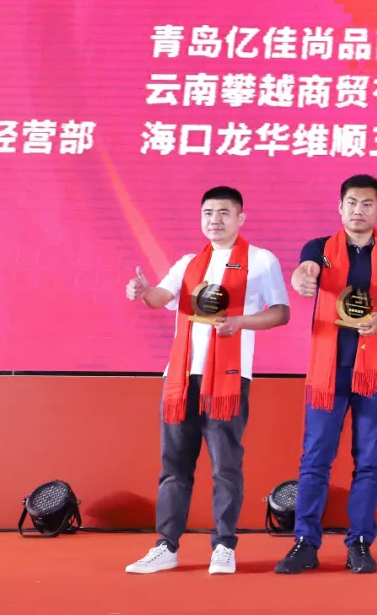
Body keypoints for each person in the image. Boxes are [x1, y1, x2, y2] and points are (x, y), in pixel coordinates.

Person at [124, 186, 290, 575]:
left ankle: (224, 546)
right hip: (181, 378)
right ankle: (166, 546)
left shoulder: (261, 260)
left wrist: (241, 322)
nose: (214, 220)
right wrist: (143, 291)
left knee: (225, 466)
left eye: (223, 213)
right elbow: (160, 297)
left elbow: (281, 312)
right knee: (174, 466)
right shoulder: (187, 263)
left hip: (229, 379)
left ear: (240, 218)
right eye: (208, 213)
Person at [275, 174, 377, 575]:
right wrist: (301, 279)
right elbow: (304, 271)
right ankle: (305, 542)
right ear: (340, 208)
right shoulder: (319, 248)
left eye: (367, 203)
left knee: (369, 459)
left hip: (376, 369)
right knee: (315, 458)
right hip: (329, 369)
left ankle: (359, 542)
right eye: (352, 203)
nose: (359, 210)